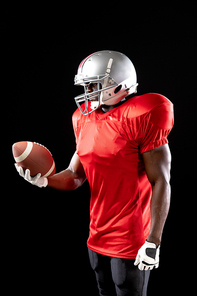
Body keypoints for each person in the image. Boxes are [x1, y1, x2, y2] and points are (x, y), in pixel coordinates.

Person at [15, 50, 174, 296]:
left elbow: (160, 181)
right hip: (97, 231)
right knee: (104, 291)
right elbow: (75, 175)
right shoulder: (83, 119)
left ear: (120, 83)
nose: (89, 91)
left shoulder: (142, 114)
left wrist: (153, 241)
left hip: (131, 235)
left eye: (95, 84)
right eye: (87, 85)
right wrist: (45, 180)